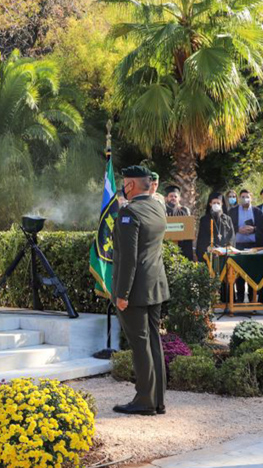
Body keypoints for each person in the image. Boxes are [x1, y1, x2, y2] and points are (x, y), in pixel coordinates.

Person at [111, 166, 169, 416]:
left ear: (131, 185)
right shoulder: (158, 207)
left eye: (125, 182)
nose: (123, 186)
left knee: (140, 344)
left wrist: (121, 294)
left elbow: (129, 259)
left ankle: (145, 400)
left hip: (135, 290)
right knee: (153, 341)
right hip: (156, 285)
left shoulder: (129, 213)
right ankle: (157, 399)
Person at [229, 189, 263, 303]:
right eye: (242, 197)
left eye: (247, 196)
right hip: (237, 245)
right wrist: (238, 229)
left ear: (251, 197)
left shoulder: (257, 211)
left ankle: (252, 297)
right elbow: (228, 226)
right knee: (239, 272)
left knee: (252, 272)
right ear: (239, 198)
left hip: (253, 246)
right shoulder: (233, 211)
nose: (245, 199)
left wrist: (254, 229)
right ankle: (240, 297)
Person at [196, 192, 236, 262]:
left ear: (222, 204)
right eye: (214, 203)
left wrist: (228, 247)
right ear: (210, 204)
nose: (216, 205)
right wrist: (208, 247)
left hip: (225, 254)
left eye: (218, 203)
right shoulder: (204, 219)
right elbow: (202, 238)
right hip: (211, 253)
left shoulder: (227, 219)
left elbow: (231, 236)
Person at [164, 185, 193, 261]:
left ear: (179, 198)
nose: (173, 198)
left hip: (182, 246)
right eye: (171, 196)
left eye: (175, 196)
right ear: (166, 198)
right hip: (166, 246)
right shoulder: (162, 211)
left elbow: (188, 229)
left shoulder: (184, 211)